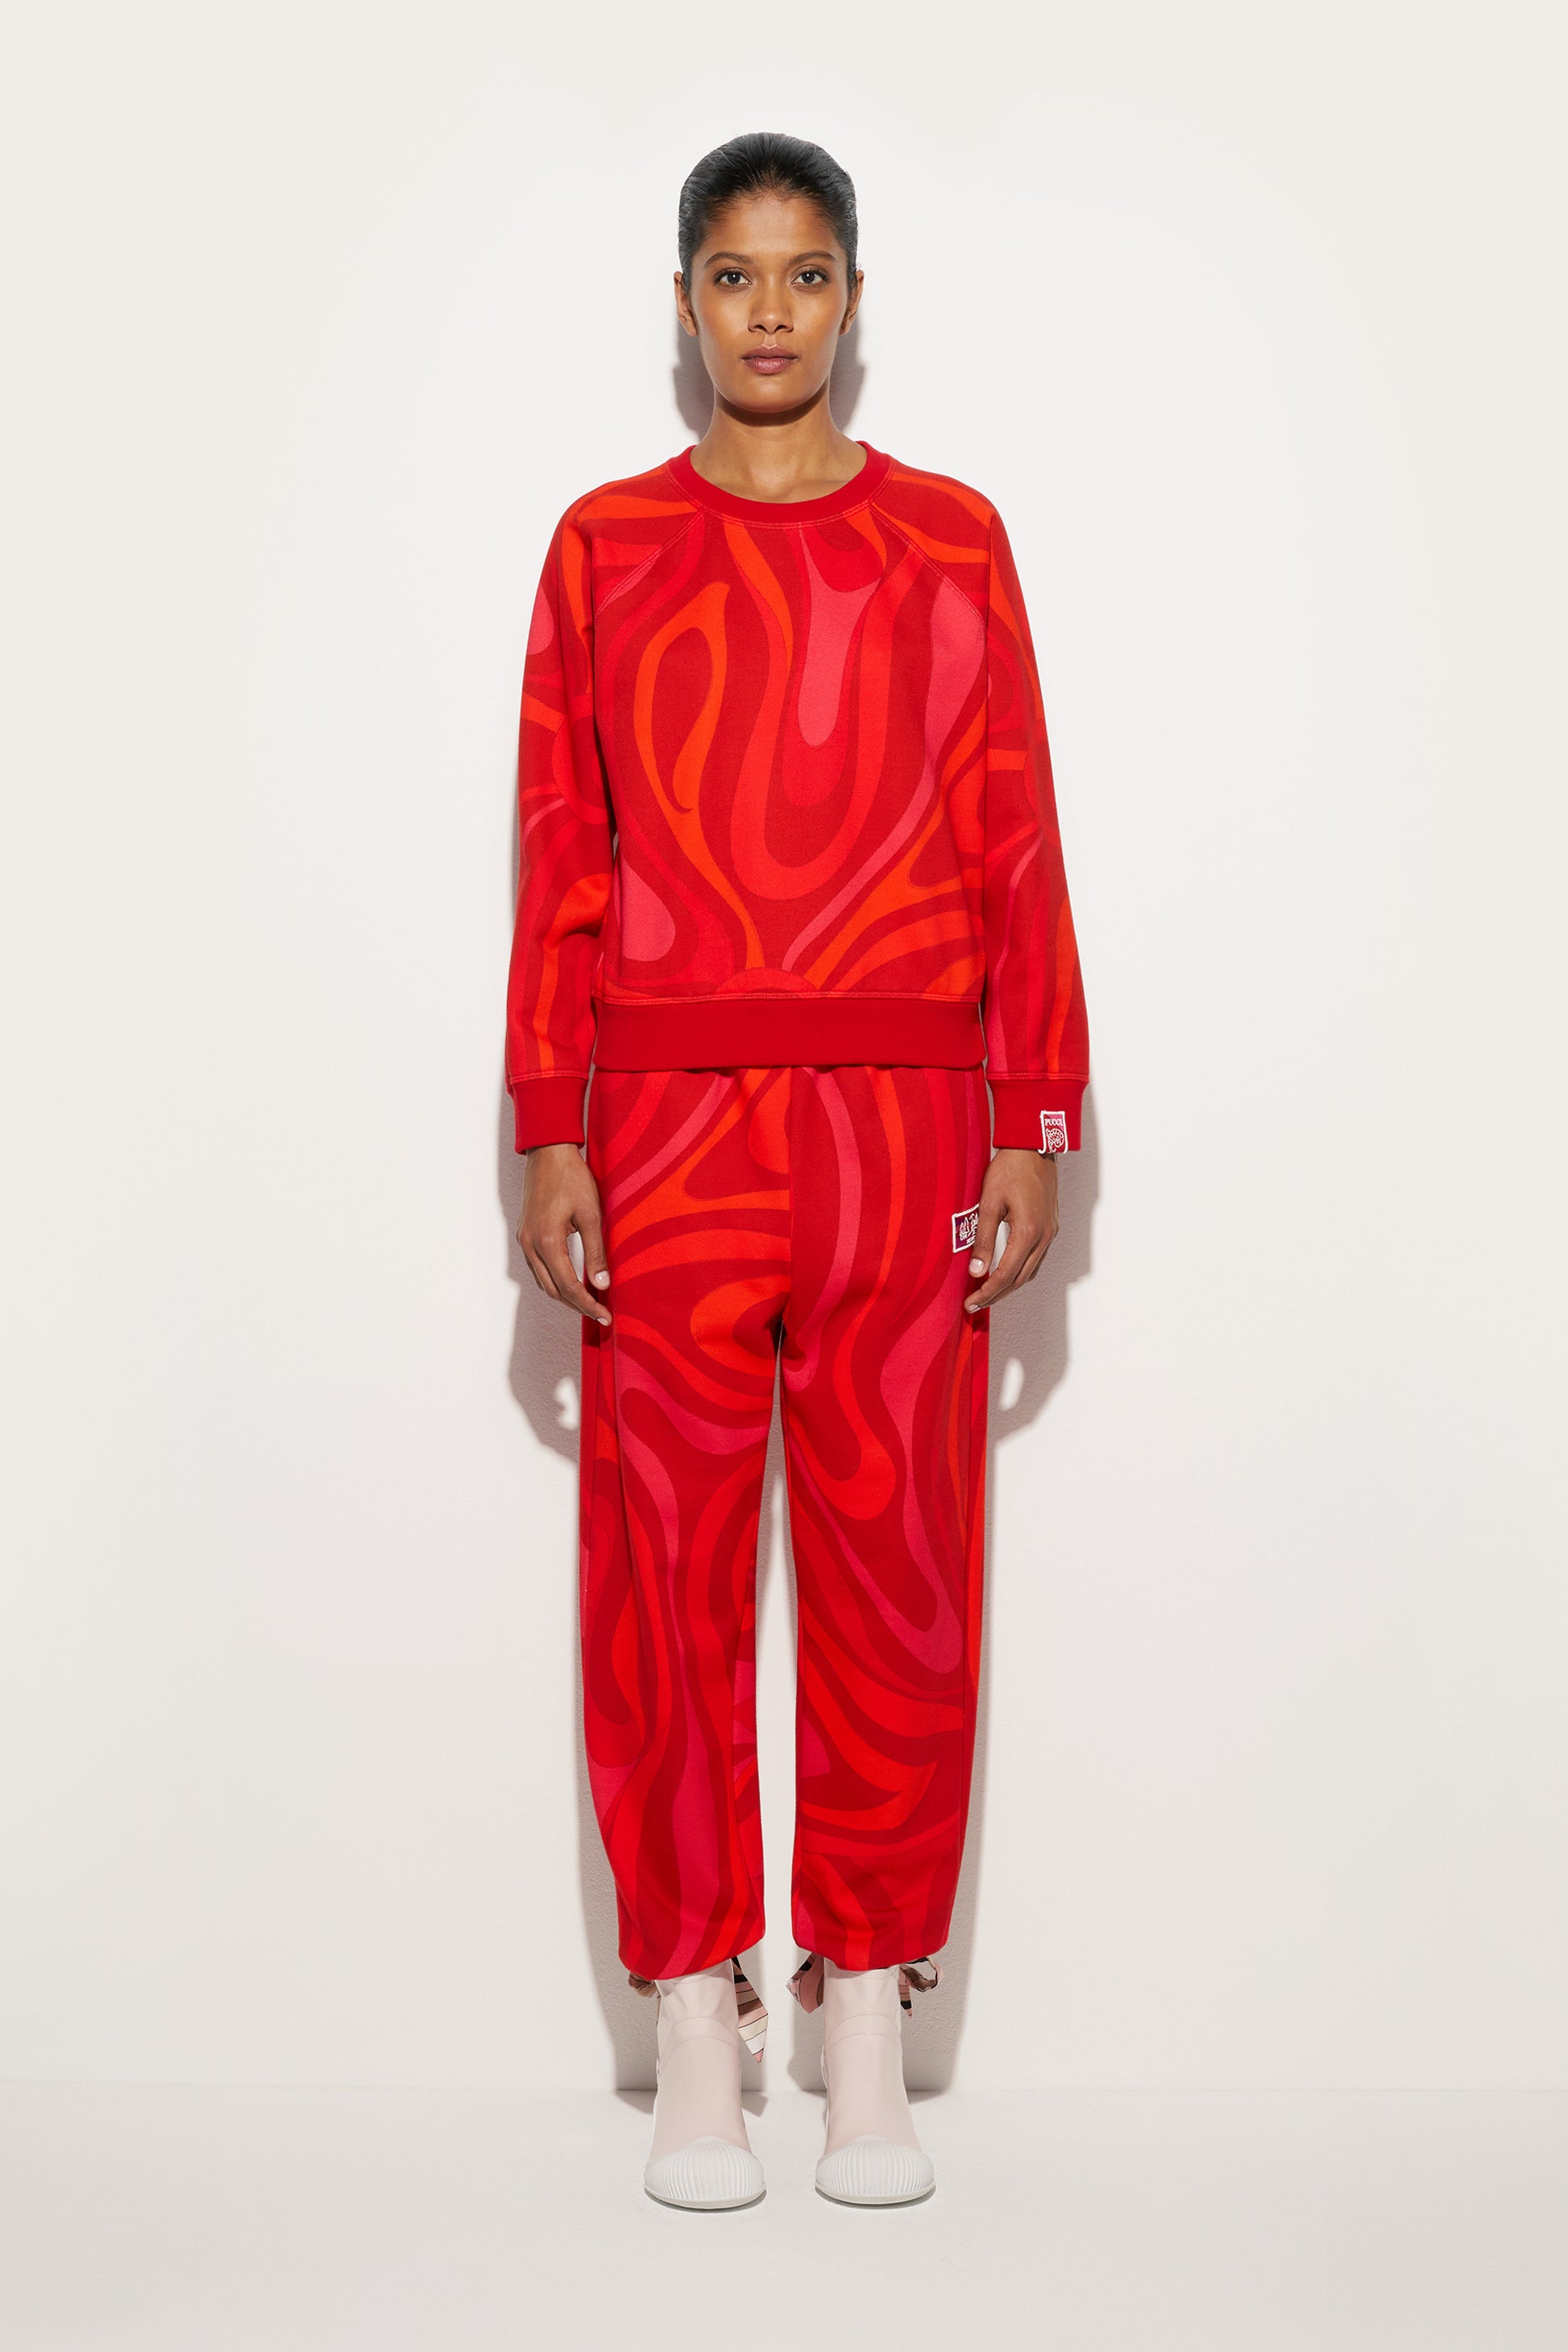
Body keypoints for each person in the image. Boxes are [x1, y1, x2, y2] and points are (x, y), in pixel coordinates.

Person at [507, 131, 1089, 2210]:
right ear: (684, 303)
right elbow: (561, 850)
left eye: (807, 273)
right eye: (735, 275)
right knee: (658, 1573)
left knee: (899, 1573)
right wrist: (549, 1123)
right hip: (667, 1128)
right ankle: (694, 2007)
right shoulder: (603, 548)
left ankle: (863, 2015)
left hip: (904, 1120)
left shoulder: (950, 541)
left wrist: (1035, 1114)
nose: (770, 311)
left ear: (853, 297)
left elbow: (1015, 829)